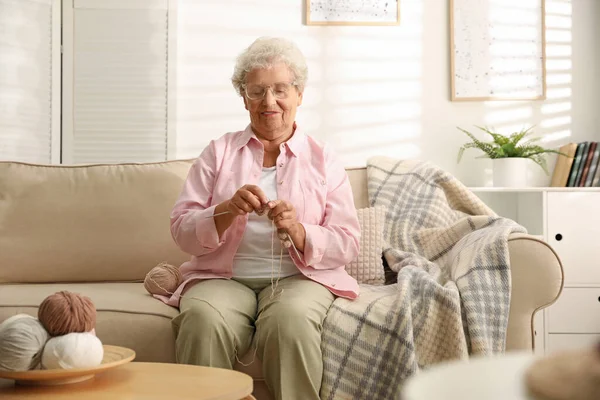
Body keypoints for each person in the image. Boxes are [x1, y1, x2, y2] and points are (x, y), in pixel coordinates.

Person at [166, 37, 360, 400]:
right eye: (257, 91)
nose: (269, 102)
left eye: (280, 90)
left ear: (299, 94)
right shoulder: (219, 152)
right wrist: (225, 210)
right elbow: (182, 230)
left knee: (290, 323)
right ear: (244, 98)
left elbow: (347, 241)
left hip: (298, 279)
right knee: (203, 320)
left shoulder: (323, 158)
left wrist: (300, 230)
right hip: (222, 279)